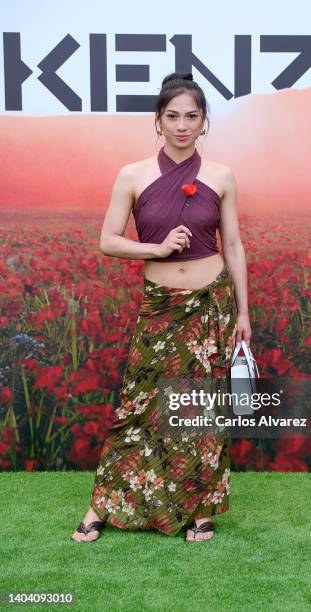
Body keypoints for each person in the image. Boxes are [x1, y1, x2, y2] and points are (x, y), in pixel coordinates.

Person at [70, 71, 251, 543]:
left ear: (204, 122)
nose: (182, 125)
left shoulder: (221, 176)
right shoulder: (132, 175)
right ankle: (100, 506)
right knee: (138, 405)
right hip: (161, 306)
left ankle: (200, 509)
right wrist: (157, 249)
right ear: (158, 121)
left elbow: (233, 244)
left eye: (192, 116)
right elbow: (108, 241)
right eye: (173, 116)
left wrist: (245, 314)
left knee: (199, 409)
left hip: (213, 304)